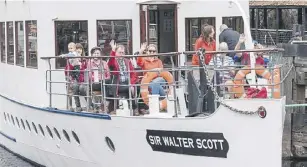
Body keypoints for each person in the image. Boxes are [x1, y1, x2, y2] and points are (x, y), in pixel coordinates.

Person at [108, 40, 138, 115]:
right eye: (119, 52)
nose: (121, 54)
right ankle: (134, 108)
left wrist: (131, 83)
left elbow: (133, 74)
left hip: (128, 82)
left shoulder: (127, 61)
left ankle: (134, 107)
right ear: (116, 53)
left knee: (138, 87)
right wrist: (113, 50)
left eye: (122, 53)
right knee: (129, 89)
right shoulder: (113, 61)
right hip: (118, 83)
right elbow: (110, 63)